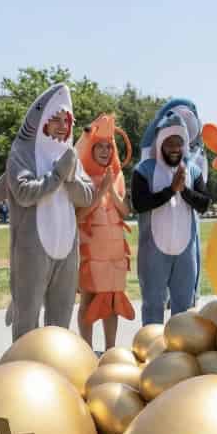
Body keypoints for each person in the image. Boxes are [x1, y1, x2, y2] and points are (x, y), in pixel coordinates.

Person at [5, 83, 93, 340]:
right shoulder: (22, 151)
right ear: (41, 119)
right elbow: (23, 193)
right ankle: (22, 361)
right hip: (32, 249)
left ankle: (56, 362)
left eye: (67, 120)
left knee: (61, 320)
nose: (63, 126)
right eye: (56, 119)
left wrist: (69, 179)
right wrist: (56, 176)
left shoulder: (70, 153)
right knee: (27, 317)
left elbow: (87, 196)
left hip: (67, 248)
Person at [132, 106, 211, 324]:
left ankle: (180, 346)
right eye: (170, 143)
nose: (175, 148)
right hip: (153, 252)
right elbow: (139, 204)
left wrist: (183, 190)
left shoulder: (192, 170)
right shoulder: (144, 170)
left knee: (184, 309)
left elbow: (204, 203)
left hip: (185, 253)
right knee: (153, 305)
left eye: (179, 143)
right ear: (160, 143)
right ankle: (151, 344)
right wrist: (170, 191)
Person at [74, 114, 135, 350]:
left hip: (114, 251)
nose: (104, 151)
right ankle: (86, 349)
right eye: (99, 146)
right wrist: (100, 193)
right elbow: (78, 216)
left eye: (108, 147)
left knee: (112, 300)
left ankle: (111, 349)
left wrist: (111, 190)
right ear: (90, 148)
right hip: (91, 249)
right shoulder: (80, 177)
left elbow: (124, 211)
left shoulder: (117, 176)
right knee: (88, 299)